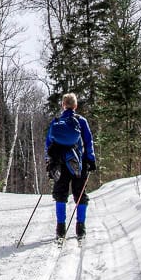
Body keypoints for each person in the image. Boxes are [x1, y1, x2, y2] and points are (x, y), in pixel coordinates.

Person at [45, 92, 96, 240]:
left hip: (60, 164)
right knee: (80, 194)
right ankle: (81, 228)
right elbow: (88, 142)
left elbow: (48, 143)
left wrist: (49, 161)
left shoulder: (56, 122)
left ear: (63, 105)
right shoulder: (81, 121)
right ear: (75, 105)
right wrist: (91, 160)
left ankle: (60, 228)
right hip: (79, 163)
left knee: (60, 194)